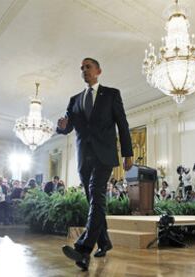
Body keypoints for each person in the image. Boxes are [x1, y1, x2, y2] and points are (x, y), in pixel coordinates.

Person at [57, 57, 133, 271]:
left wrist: (128, 153)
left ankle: (83, 249)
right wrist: (61, 126)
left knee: (96, 194)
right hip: (84, 157)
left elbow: (122, 124)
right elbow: (67, 126)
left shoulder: (112, 94)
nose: (84, 70)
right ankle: (105, 241)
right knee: (94, 202)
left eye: (88, 67)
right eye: (81, 68)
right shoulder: (74, 99)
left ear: (98, 70)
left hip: (104, 155)